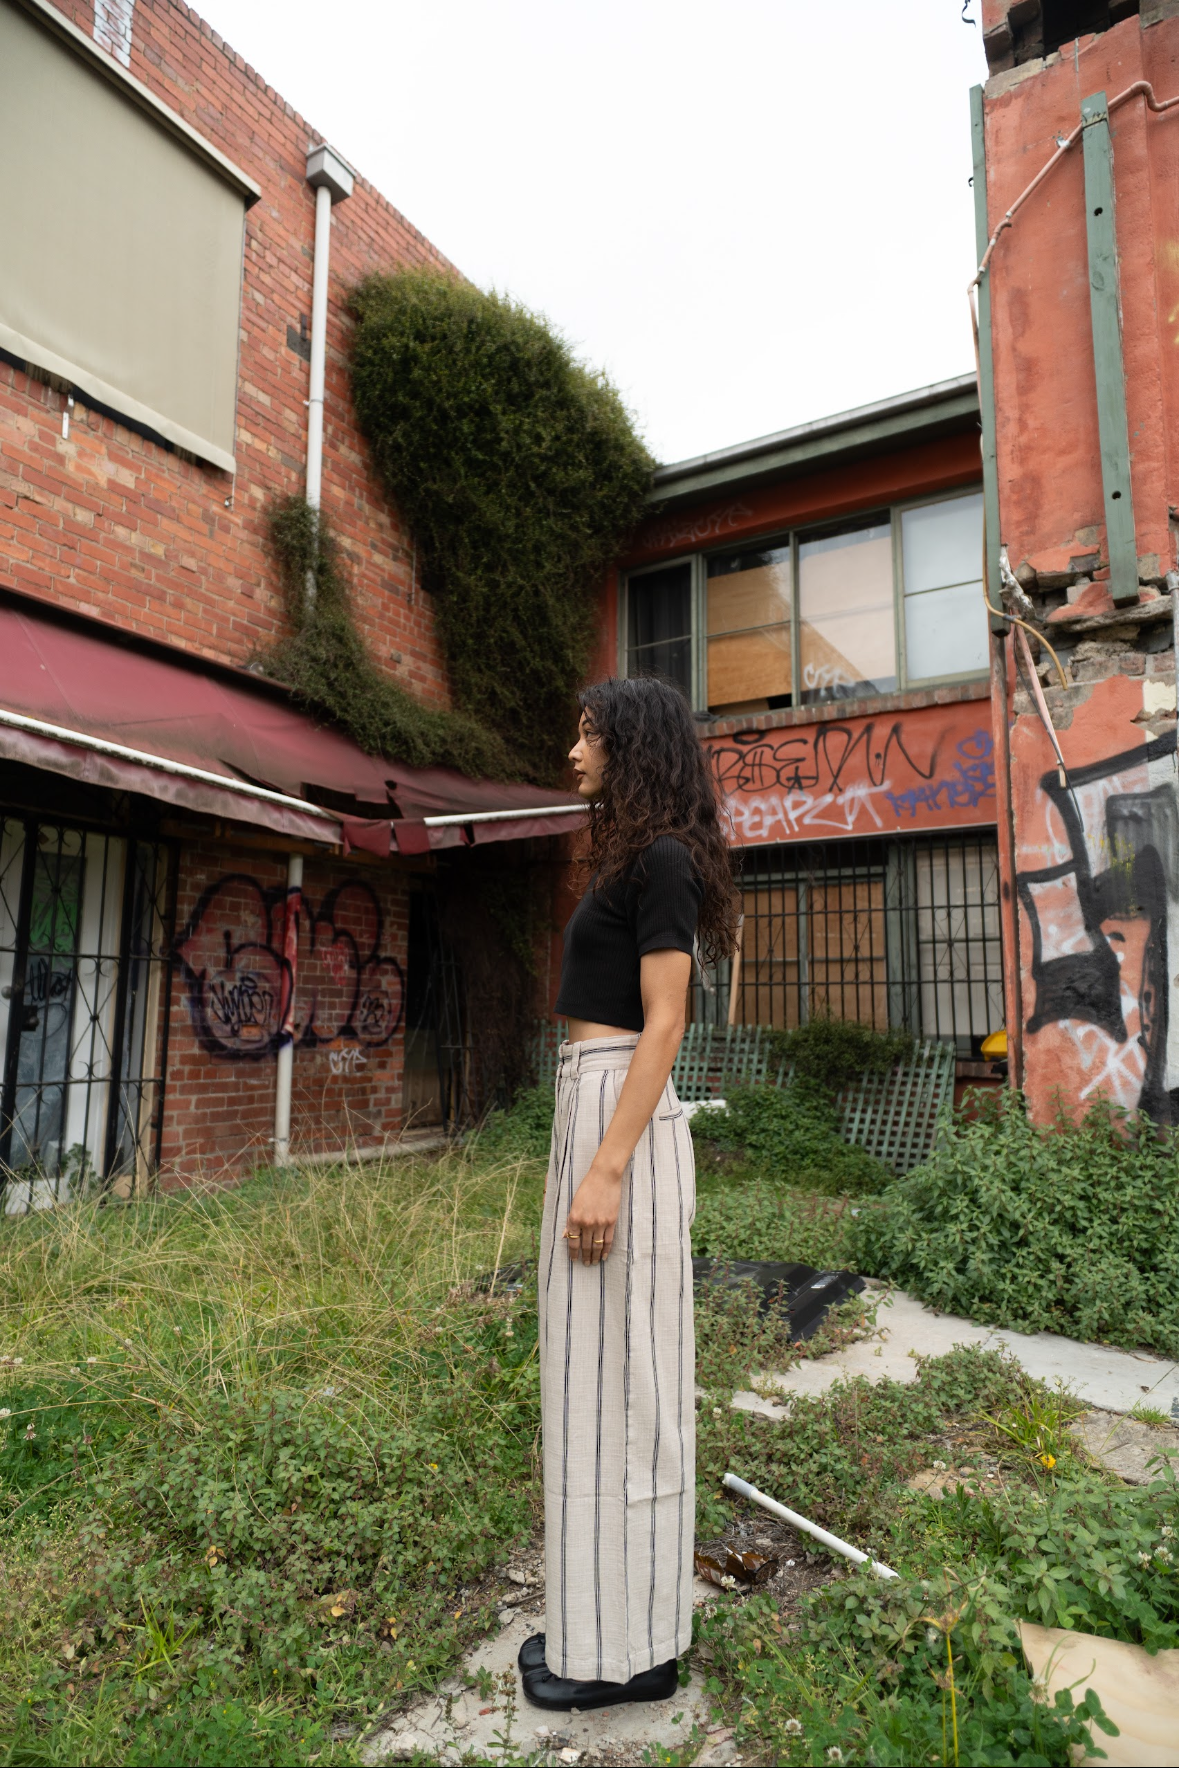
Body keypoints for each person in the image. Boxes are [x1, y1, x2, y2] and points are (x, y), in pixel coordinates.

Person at [519, 676, 739, 1714]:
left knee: (629, 1387)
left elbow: (666, 1020)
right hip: (594, 1104)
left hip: (622, 1115)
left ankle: (632, 1651)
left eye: (588, 736)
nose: (574, 754)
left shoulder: (662, 861)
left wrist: (607, 1165)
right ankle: (598, 1623)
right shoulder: (631, 854)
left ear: (632, 746)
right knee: (588, 1381)